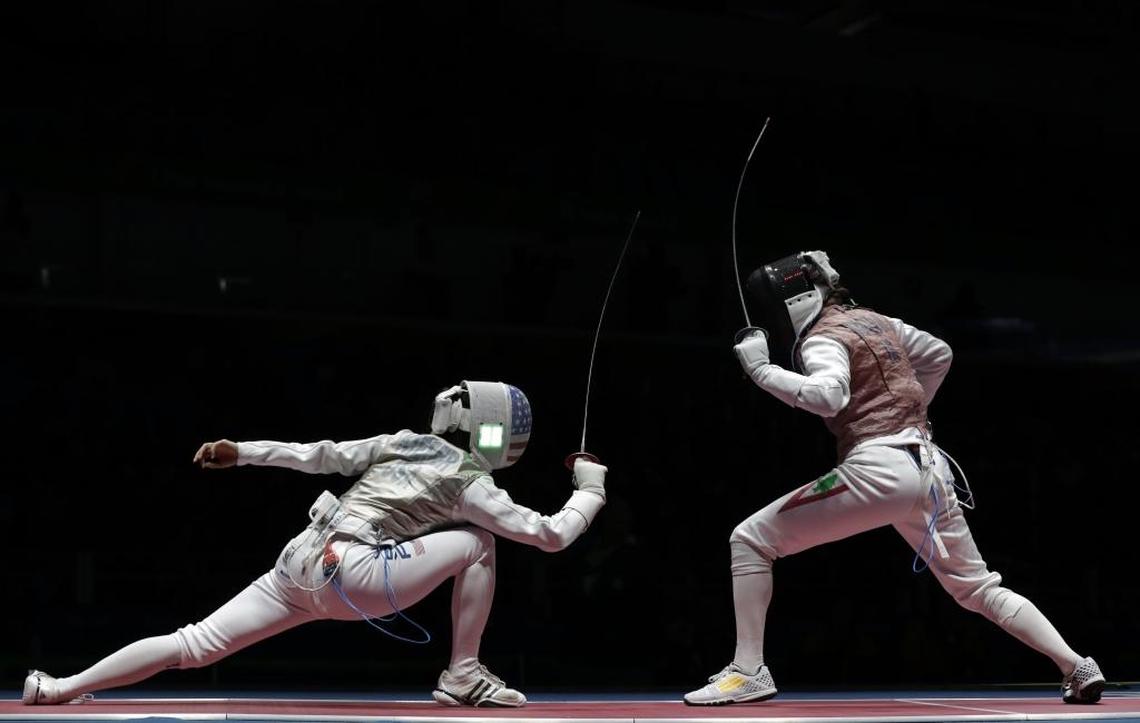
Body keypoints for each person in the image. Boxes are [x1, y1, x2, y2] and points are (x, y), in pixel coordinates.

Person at [684, 251, 1104, 706]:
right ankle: (1077, 665)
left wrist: (761, 370)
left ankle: (748, 671)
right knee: (978, 589)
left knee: (750, 540)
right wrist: (908, 415)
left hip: (880, 471)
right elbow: (938, 354)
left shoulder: (821, 340)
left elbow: (828, 396)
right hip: (930, 469)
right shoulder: (879, 322)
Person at [24, 381, 608, 708]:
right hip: (358, 573)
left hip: (300, 559)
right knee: (479, 543)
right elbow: (550, 535)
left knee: (193, 643)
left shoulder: (401, 442)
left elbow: (319, 454)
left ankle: (60, 687)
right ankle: (463, 672)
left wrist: (243, 450)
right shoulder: (472, 483)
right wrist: (591, 488)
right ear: (498, 431)